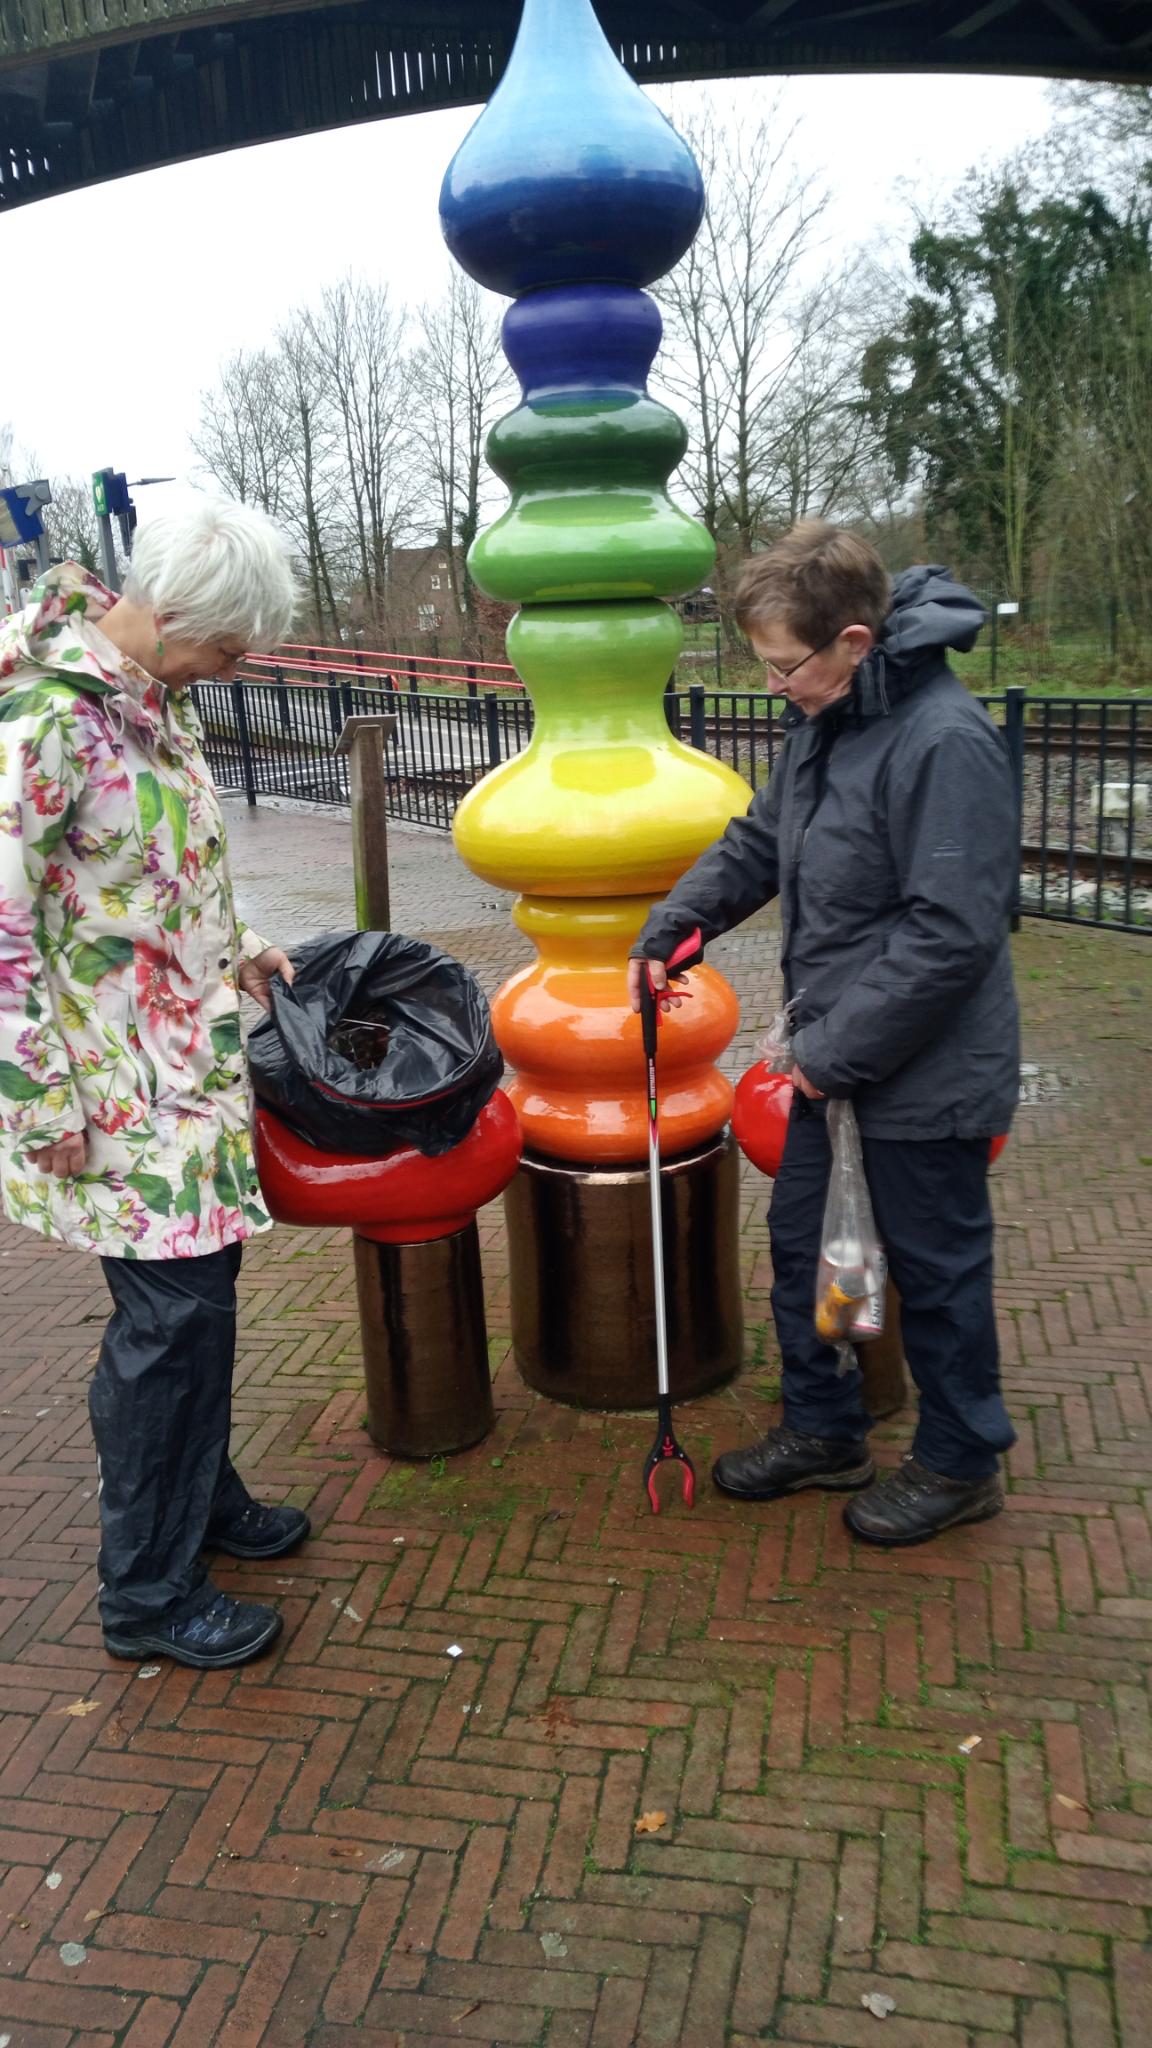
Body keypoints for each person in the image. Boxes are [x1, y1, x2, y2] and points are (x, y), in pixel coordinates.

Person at [629, 522, 1020, 1547]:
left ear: (853, 640)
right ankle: (825, 1429)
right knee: (814, 1248)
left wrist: (829, 1055)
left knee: (934, 1269)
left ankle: (960, 1461)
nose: (775, 686)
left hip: (924, 1069)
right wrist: (673, 929)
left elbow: (951, 933)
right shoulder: (829, 720)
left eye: (784, 665)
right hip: (833, 1059)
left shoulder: (943, 741)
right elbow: (761, 840)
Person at [0, 501, 308, 1666]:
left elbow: (160, 872)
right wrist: (38, 1102)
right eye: (229, 646)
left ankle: (200, 1503)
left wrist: (243, 945)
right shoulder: (48, 719)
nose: (235, 667)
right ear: (174, 615)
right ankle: (147, 1591)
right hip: (112, 1088)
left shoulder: (151, 701)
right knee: (170, 1325)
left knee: (198, 1305)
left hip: (184, 1071)